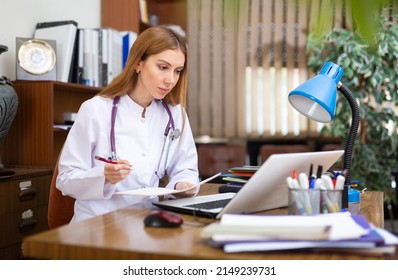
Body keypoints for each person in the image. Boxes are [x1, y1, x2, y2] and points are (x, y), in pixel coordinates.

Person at [56, 26, 199, 222]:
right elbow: (65, 179)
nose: (171, 80)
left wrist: (182, 185)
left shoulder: (176, 114)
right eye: (163, 67)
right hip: (98, 224)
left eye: (178, 71)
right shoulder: (96, 109)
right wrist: (104, 176)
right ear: (138, 63)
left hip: (150, 221)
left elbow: (186, 168)